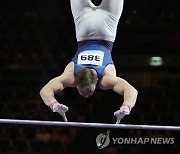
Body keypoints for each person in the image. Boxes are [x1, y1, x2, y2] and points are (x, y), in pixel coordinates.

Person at [40, 0, 138, 124]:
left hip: (106, 28)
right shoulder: (71, 76)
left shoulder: (105, 79)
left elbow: (131, 91)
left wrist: (127, 105)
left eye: (84, 92)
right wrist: (126, 106)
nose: (86, 96)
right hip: (84, 29)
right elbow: (45, 90)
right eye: (89, 92)